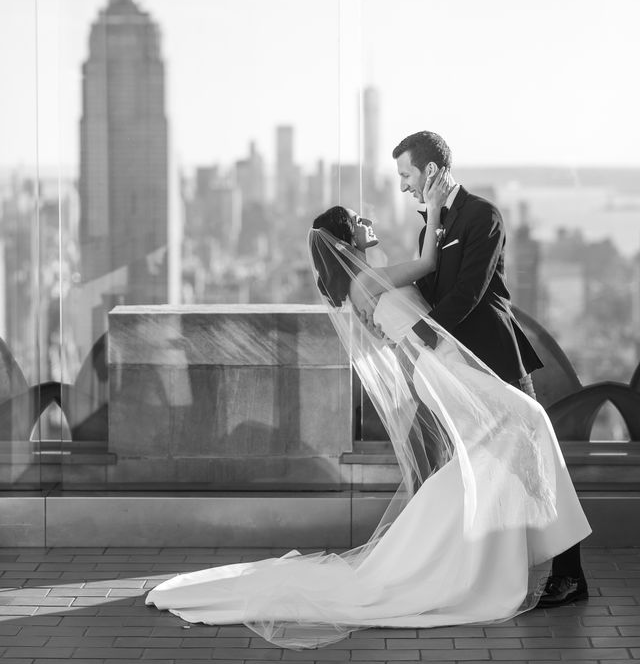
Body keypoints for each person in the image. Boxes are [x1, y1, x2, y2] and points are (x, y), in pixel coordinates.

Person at [146, 177, 591, 648]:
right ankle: (508, 562)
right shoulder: (365, 282)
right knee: (526, 426)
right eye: (358, 221)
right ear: (347, 240)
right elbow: (428, 266)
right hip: (442, 370)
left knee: (494, 451)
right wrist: (436, 211)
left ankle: (497, 558)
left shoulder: (364, 280)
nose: (367, 220)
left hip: (442, 369)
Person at [390, 130, 588, 607]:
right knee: (438, 460)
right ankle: (446, 566)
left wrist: (419, 334)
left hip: (497, 361)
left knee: (533, 460)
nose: (402, 187)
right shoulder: (428, 230)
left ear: (431, 171)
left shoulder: (484, 216)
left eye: (406, 175)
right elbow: (432, 288)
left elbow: (470, 293)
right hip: (454, 368)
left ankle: (570, 575)